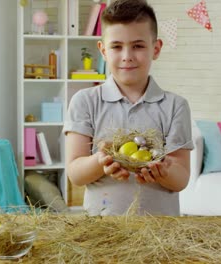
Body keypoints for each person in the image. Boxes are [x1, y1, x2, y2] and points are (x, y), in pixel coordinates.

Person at [63, 0, 193, 216]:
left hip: (161, 233)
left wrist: (163, 171)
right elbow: (75, 174)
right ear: (103, 50)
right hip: (102, 231)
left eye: (138, 46)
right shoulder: (85, 101)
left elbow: (181, 179)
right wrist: (100, 161)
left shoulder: (175, 106)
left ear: (156, 48)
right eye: (116, 46)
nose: (127, 56)